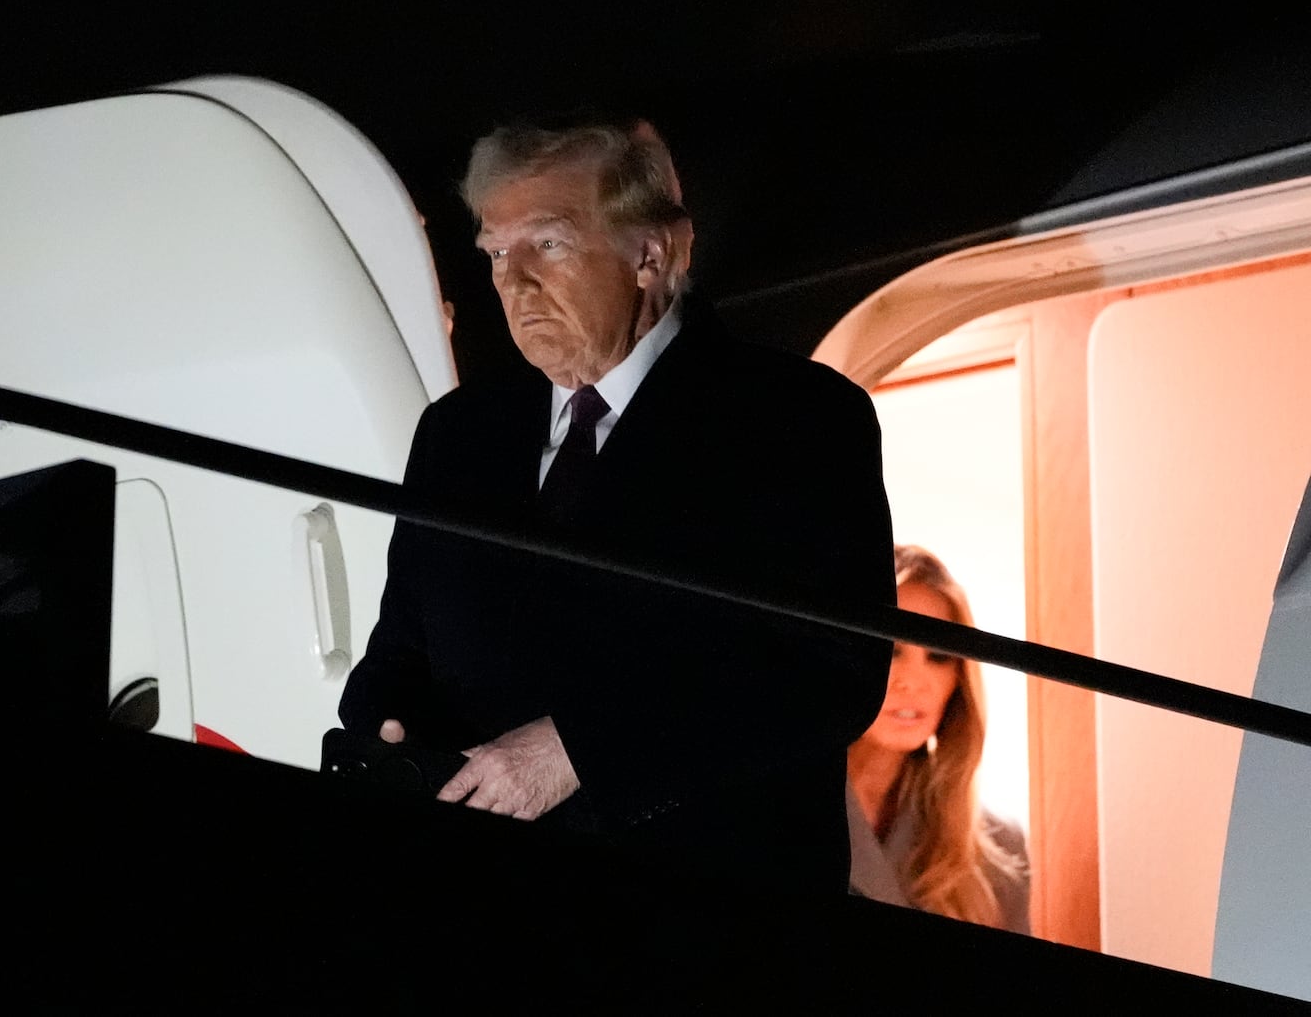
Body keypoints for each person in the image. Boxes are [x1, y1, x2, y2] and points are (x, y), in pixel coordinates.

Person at [337, 116, 895, 887]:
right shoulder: (459, 434)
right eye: (497, 252)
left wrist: (577, 753)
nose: (513, 281)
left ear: (651, 252)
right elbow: (399, 649)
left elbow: (830, 672)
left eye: (548, 244)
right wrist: (385, 723)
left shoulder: (795, 417)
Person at [846, 545, 1031, 932]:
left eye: (938, 656)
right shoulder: (769, 807)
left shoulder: (1000, 852)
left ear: (958, 680)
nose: (913, 682)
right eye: (892, 651)